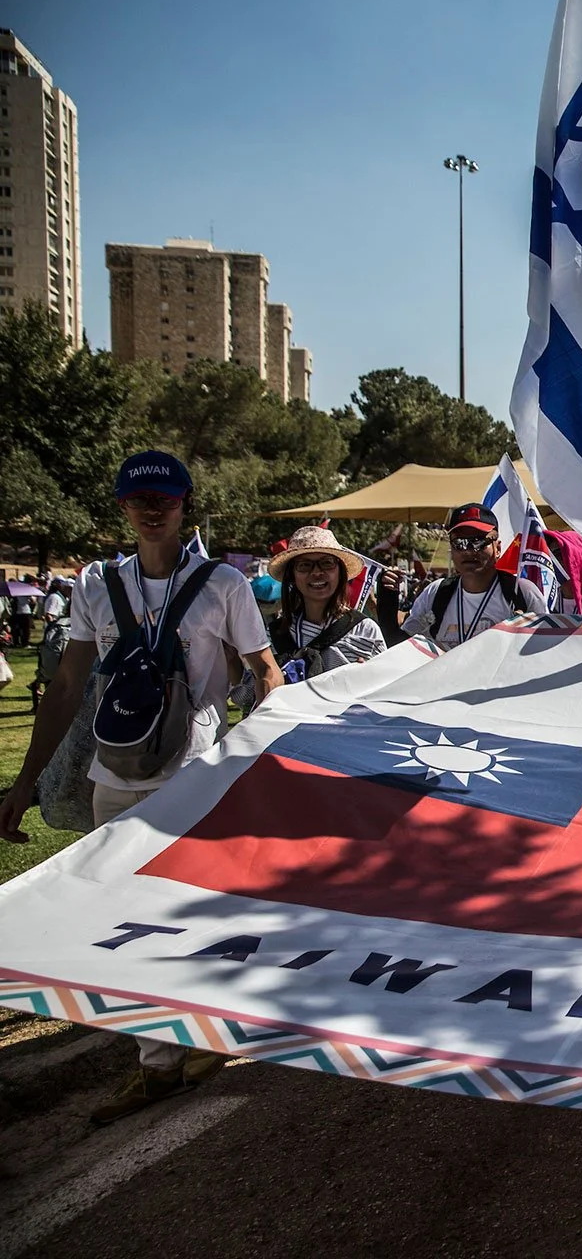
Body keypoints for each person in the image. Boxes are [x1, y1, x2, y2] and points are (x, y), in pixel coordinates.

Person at [0, 450, 286, 1123]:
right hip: (114, 776)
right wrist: (26, 782)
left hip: (192, 774)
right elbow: (68, 684)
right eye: (139, 497)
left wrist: (262, 746)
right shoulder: (97, 584)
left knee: (189, 914)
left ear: (185, 504)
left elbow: (264, 670)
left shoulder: (223, 585)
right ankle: (162, 1058)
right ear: (123, 506)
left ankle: (191, 1042)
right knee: (120, 921)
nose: (153, 508)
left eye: (166, 497)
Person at [403, 504, 549, 646]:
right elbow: (405, 646)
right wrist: (387, 608)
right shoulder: (435, 593)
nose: (468, 551)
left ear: (497, 548)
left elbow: (545, 648)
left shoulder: (522, 592)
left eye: (478, 542)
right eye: (459, 543)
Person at [265, 526, 388, 680]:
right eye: (304, 565)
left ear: (340, 572)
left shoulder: (363, 630)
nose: (316, 572)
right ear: (292, 575)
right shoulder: (275, 634)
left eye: (327, 563)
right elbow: (255, 696)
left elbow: (383, 689)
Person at [30, 576, 71, 712]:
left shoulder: (62, 600)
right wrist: (53, 623)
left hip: (55, 637)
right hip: (55, 637)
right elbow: (48, 615)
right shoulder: (55, 598)